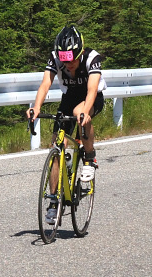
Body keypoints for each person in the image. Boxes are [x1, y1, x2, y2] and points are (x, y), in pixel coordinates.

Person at [25, 25, 106, 224]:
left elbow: (92, 89)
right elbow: (45, 84)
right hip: (69, 98)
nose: (68, 65)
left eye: (72, 61)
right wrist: (35, 108)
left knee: (79, 113)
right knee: (56, 147)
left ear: (80, 53)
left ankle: (89, 158)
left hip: (91, 97)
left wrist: (86, 112)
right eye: (64, 61)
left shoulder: (91, 58)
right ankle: (53, 203)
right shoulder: (55, 58)